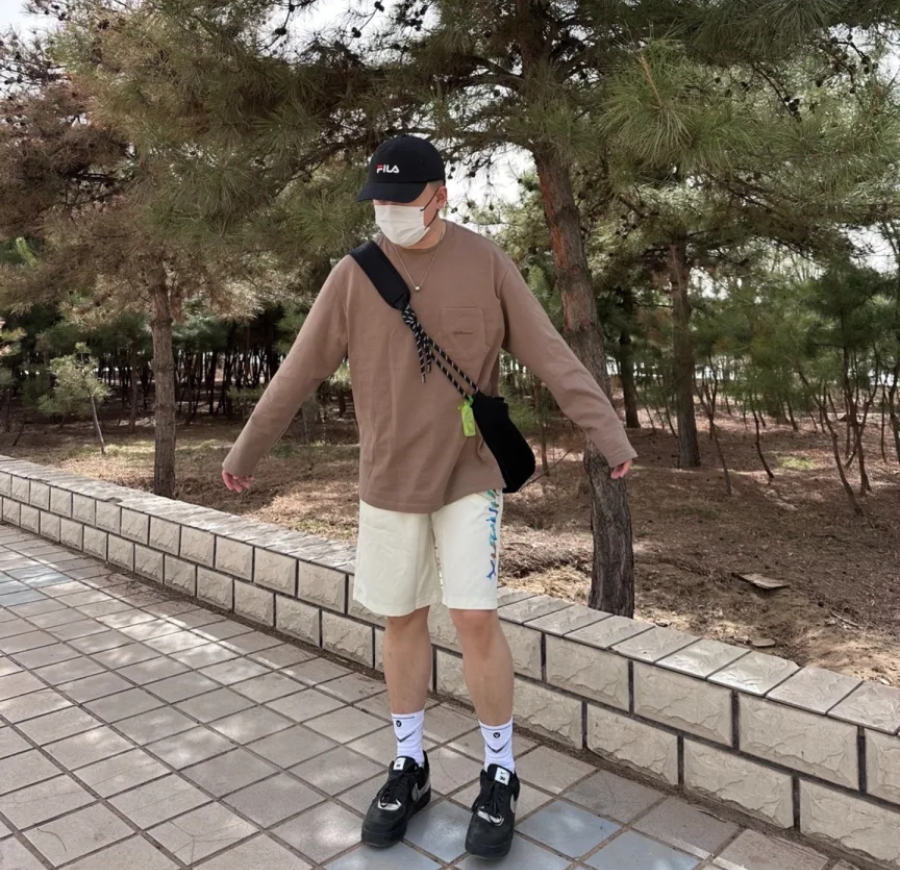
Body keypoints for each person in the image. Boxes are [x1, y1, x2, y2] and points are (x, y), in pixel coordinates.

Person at [221, 134, 636, 859]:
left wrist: (610, 435)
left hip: (470, 473)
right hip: (387, 481)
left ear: (439, 196)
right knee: (402, 618)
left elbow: (550, 353)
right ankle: (409, 765)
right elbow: (300, 369)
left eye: (402, 199)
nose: (388, 211)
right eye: (378, 200)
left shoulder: (487, 263)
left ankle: (499, 772)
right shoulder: (353, 276)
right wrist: (245, 451)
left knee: (474, 617)